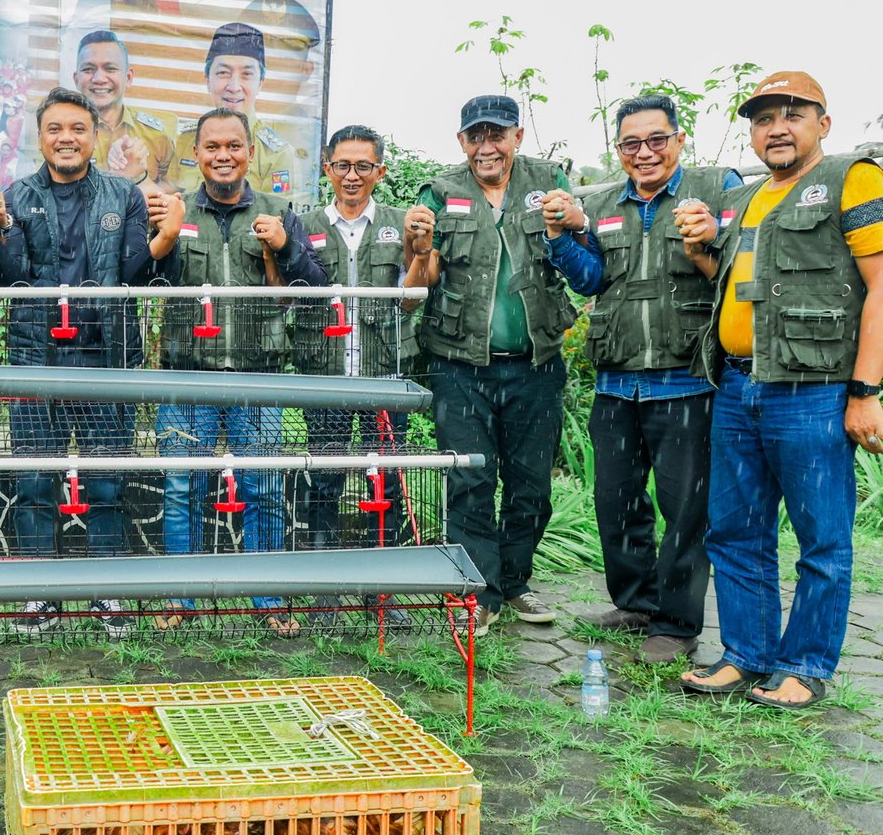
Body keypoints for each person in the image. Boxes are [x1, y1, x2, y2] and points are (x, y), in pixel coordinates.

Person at [681, 72, 883, 710]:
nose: (777, 128)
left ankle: (805, 664)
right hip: (739, 386)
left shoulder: (853, 177)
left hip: (814, 392)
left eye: (793, 115)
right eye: (765, 118)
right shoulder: (744, 201)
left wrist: (866, 391)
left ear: (823, 123)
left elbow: (881, 286)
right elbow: (740, 282)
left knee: (822, 538)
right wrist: (700, 253)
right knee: (736, 531)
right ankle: (746, 655)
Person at [0, 87, 183, 636]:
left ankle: (107, 591)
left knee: (107, 478)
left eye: (77, 129)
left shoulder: (124, 195)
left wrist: (166, 234)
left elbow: (141, 273)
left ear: (95, 136)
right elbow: (6, 277)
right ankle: (39, 594)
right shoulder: (15, 196)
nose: (66, 138)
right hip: (34, 359)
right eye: (55, 129)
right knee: (34, 480)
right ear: (40, 136)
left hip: (107, 356)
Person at [555, 95, 742, 664]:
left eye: (657, 139)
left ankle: (677, 622)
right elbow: (592, 281)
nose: (645, 153)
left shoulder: (718, 187)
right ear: (618, 150)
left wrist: (712, 236)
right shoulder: (605, 203)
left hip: (686, 380)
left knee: (686, 509)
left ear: (679, 140)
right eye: (632, 143)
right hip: (616, 382)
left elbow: (744, 264)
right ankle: (634, 602)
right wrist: (562, 238)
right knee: (615, 500)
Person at [402, 95, 597, 637]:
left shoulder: (549, 182)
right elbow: (418, 284)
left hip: (536, 362)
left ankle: (515, 581)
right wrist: (419, 247)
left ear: (518, 136)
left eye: (497, 134)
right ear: (461, 141)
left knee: (531, 483)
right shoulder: (439, 192)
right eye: (475, 136)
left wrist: (579, 225)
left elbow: (581, 258)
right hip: (459, 364)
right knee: (469, 479)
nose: (486, 146)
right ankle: (479, 590)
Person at [157, 107, 325, 637]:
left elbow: (315, 288)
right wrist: (160, 237)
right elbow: (146, 275)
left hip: (260, 376)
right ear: (197, 154)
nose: (223, 156)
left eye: (233, 146)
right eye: (212, 147)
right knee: (181, 486)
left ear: (250, 153)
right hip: (187, 375)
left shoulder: (280, 210)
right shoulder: (176, 212)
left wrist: (286, 246)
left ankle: (268, 597)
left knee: (265, 485)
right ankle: (180, 599)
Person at [294, 125, 417, 566]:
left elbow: (412, 296)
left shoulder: (400, 224)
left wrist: (421, 251)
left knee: (384, 480)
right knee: (324, 480)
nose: (352, 175)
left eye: (362, 166)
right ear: (328, 168)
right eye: (342, 165)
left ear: (379, 171)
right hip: (326, 376)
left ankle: (381, 578)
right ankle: (323, 577)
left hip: (383, 374)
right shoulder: (304, 225)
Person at [166, 23, 310, 206]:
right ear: (207, 80)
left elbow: (278, 217)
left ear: (261, 83)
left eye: (247, 74)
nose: (234, 87)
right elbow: (170, 202)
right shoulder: (185, 141)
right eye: (223, 73)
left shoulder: (276, 154)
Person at [72, 29, 176, 193]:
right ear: (76, 79)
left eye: (110, 68)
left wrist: (137, 176)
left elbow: (174, 195)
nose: (99, 78)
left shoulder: (157, 134)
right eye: (88, 69)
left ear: (128, 78)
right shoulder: (60, 136)